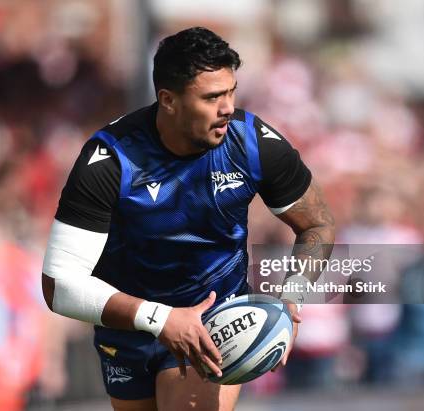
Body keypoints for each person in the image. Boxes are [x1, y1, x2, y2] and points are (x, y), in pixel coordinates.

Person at [41, 27, 335, 411]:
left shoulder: (251, 143)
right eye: (213, 97)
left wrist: (293, 297)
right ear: (168, 100)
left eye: (231, 92)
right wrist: (161, 319)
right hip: (130, 328)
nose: (228, 107)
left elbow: (317, 223)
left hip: (214, 322)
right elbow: (58, 285)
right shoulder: (110, 161)